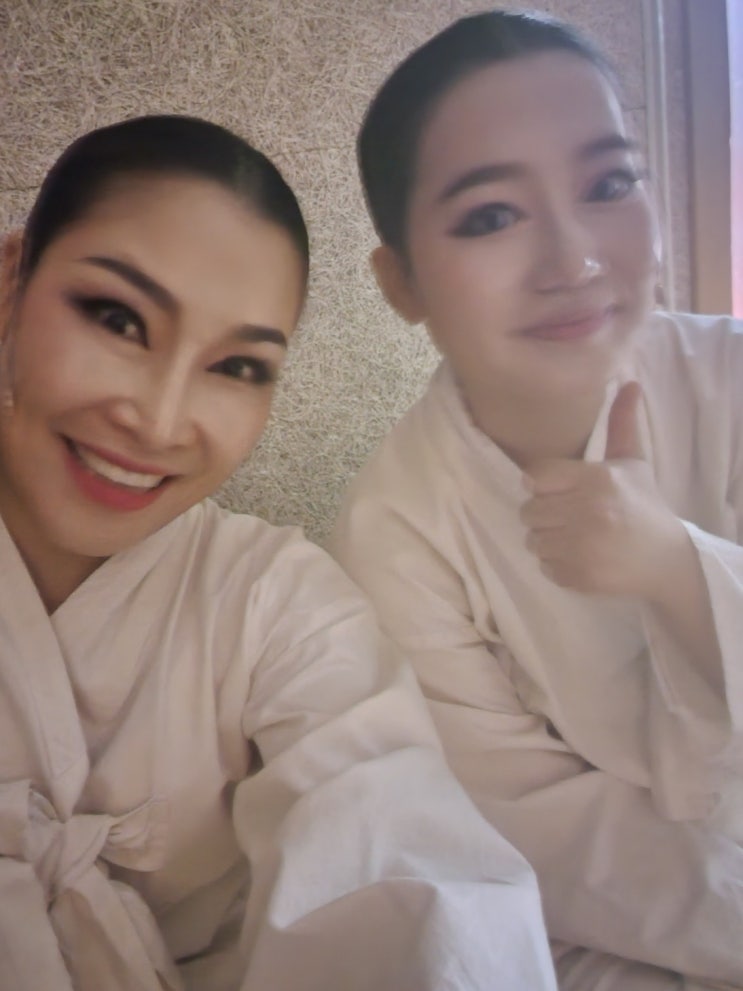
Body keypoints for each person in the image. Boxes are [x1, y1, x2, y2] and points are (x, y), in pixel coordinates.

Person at [0, 114, 558, 991]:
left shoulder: (276, 602)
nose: (158, 420)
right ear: (10, 282)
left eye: (237, 367)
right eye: (117, 318)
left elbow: (402, 867)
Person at [330, 10, 743, 991]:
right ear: (400, 283)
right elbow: (537, 831)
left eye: (607, 185)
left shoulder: (729, 379)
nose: (573, 260)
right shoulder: (395, 528)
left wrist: (676, 570)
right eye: (490, 216)